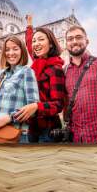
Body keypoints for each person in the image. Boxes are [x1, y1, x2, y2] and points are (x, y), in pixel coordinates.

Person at [14, 15, 66, 143]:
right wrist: (29, 24)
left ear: (51, 44)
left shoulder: (55, 69)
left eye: (41, 40)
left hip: (47, 131)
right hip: (31, 127)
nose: (36, 44)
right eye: (34, 41)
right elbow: (28, 43)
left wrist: (36, 107)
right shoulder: (38, 63)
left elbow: (58, 104)